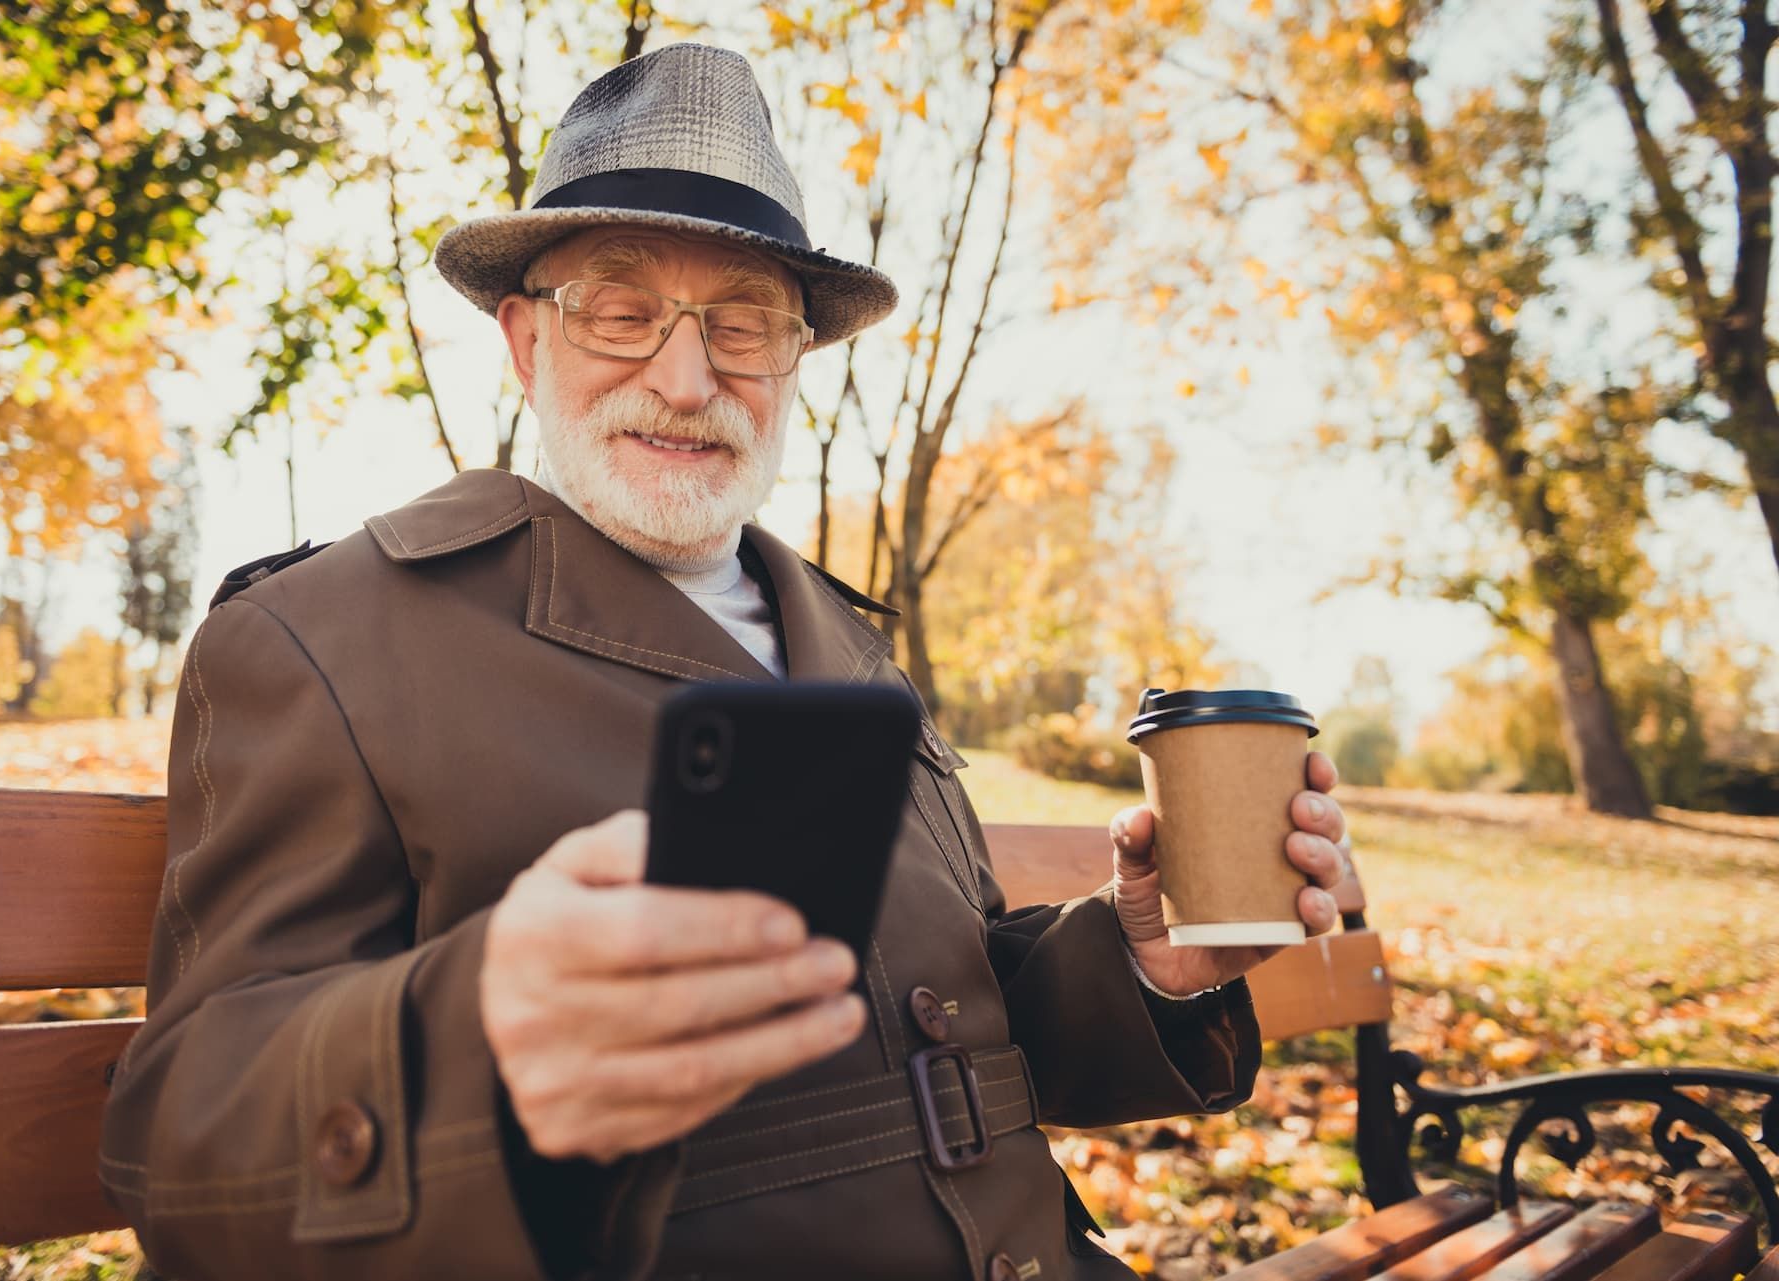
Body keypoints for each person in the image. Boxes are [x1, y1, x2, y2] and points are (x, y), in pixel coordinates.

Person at [98, 42, 1353, 1281]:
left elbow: (943, 1019)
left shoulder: (849, 645)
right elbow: (187, 1144)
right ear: (529, 345)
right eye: (623, 311)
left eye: (742, 324)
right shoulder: (325, 637)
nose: (688, 378)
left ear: (794, 359)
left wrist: (1143, 961)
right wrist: (477, 1037)